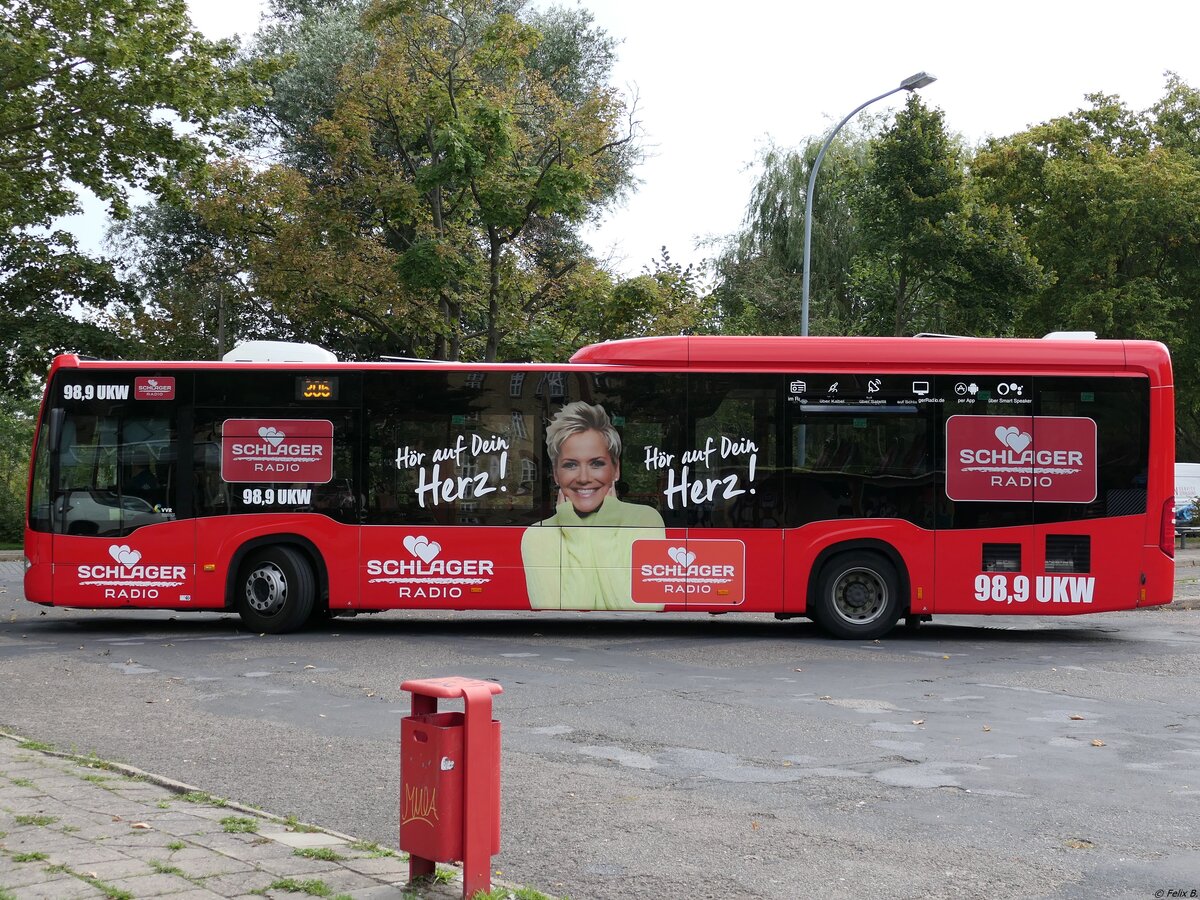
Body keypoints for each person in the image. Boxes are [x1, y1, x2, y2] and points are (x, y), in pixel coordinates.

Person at [521, 401, 664, 610]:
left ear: (616, 470)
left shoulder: (645, 520)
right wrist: (576, 534)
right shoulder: (538, 535)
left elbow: (646, 607)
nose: (584, 478)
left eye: (596, 463)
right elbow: (562, 613)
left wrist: (604, 529)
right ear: (556, 473)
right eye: (571, 465)